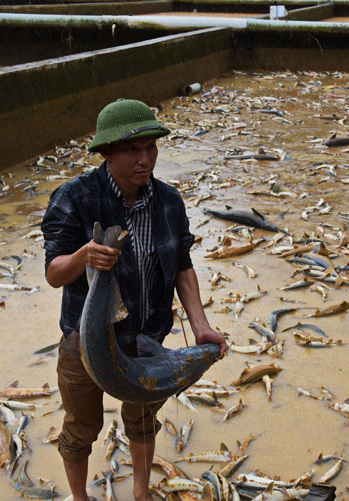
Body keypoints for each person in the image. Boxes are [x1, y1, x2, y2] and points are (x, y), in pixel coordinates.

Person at [42, 98, 227, 501]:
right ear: (106, 153)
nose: (145, 160)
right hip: (85, 342)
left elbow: (182, 265)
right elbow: (54, 274)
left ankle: (141, 492)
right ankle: (80, 498)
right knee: (80, 429)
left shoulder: (169, 201)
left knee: (143, 421)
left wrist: (201, 327)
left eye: (151, 148)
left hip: (146, 340)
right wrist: (83, 256)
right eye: (132, 150)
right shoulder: (74, 197)